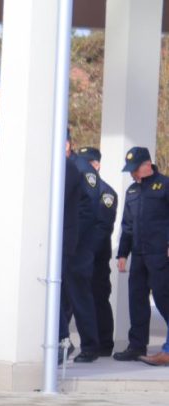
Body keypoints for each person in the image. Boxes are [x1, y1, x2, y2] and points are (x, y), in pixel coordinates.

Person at [115, 147, 169, 364]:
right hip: (138, 254)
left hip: (160, 255)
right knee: (137, 300)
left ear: (147, 164)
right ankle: (136, 346)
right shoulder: (132, 192)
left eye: (134, 169)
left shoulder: (165, 186)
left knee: (163, 299)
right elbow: (127, 225)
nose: (132, 174)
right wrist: (122, 254)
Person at [60, 137, 101, 363]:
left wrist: (71, 235)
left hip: (77, 245)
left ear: (66, 144)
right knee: (62, 297)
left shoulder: (81, 168)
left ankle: (90, 346)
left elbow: (89, 209)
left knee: (79, 297)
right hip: (65, 242)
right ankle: (62, 342)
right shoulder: (63, 166)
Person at [75, 146, 119, 355]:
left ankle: (104, 344)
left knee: (98, 297)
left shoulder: (106, 192)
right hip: (80, 254)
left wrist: (86, 249)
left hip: (96, 256)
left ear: (96, 165)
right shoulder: (78, 190)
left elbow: (103, 227)